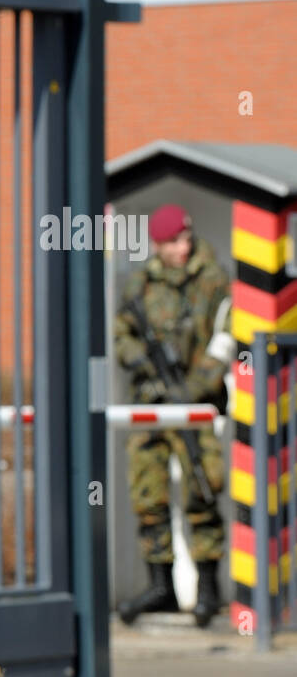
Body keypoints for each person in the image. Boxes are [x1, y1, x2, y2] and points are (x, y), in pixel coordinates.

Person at [112, 203, 232, 628]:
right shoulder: (142, 284)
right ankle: (159, 585)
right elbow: (122, 331)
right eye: (174, 241)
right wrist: (142, 362)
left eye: (186, 238)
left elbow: (225, 337)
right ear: (159, 245)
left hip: (195, 404)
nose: (183, 247)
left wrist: (196, 389)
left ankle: (209, 588)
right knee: (148, 492)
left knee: (203, 487)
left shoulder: (213, 278)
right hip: (152, 404)